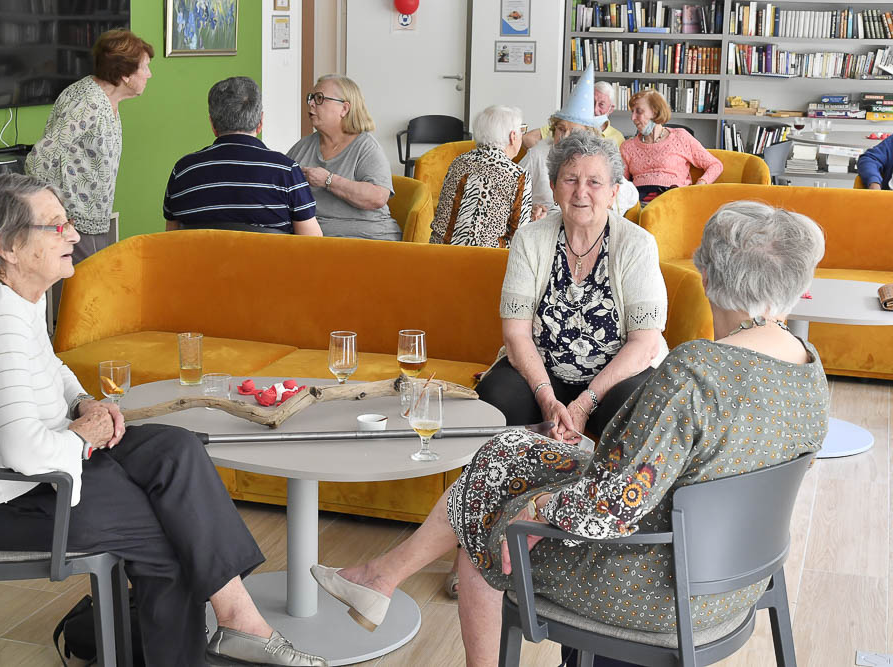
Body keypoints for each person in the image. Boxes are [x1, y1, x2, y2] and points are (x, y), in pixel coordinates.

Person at [309, 199, 829, 666]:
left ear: (710, 276)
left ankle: (388, 583)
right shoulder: (809, 367)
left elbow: (611, 506)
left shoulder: (698, 372)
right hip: (739, 574)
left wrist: (532, 510)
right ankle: (380, 577)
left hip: (659, 586)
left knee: (486, 531)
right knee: (507, 452)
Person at [0, 174, 327, 667]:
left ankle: (239, 622)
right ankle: (229, 634)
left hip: (26, 476)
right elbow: (25, 453)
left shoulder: (10, 298)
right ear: (7, 246)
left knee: (176, 450)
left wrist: (85, 403)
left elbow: (52, 369)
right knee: (168, 535)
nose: (73, 235)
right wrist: (82, 434)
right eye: (55, 226)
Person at [477, 130, 667, 444]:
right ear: (553, 187)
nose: (581, 192)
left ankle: (604, 493)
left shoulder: (638, 245)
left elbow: (644, 343)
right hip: (542, 373)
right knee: (495, 397)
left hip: (616, 377)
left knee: (641, 408)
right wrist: (547, 400)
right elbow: (516, 334)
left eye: (594, 182)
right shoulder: (530, 240)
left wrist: (584, 404)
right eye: (570, 180)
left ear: (613, 192)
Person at [26, 29, 153, 262]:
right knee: (91, 293)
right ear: (125, 74)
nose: (149, 74)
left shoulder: (109, 99)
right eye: (144, 67)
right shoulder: (88, 102)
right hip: (76, 224)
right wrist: (54, 214)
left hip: (96, 221)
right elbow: (40, 158)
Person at [163, 77, 322, 235]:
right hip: (268, 261)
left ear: (213, 125)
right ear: (260, 122)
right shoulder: (286, 172)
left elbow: (171, 239)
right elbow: (312, 244)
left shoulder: (183, 171)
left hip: (200, 261)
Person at [286, 75, 401, 240]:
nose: (311, 103)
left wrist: (329, 180)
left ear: (344, 109)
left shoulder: (366, 146)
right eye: (311, 98)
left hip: (369, 239)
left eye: (319, 98)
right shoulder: (303, 146)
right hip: (318, 242)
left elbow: (378, 197)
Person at [521, 65, 638, 221]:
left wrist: (607, 203)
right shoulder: (537, 154)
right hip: (546, 227)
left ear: (588, 135)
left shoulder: (597, 157)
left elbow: (629, 194)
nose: (565, 136)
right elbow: (512, 192)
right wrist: (530, 209)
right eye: (561, 129)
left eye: (574, 131)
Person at [426, 105, 531, 247]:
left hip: (441, 255)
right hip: (486, 261)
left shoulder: (458, 162)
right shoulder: (518, 176)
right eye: (522, 130)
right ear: (513, 137)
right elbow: (520, 235)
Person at [619, 88, 723, 206]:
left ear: (655, 112)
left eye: (639, 111)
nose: (633, 118)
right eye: (632, 112)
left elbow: (715, 165)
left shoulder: (681, 137)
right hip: (640, 203)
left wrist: (700, 185)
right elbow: (621, 183)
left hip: (674, 200)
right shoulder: (627, 146)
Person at [521, 79, 626, 149]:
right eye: (591, 102)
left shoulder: (618, 138)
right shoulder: (566, 126)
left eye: (601, 105)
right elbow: (527, 138)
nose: (594, 109)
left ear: (611, 109)